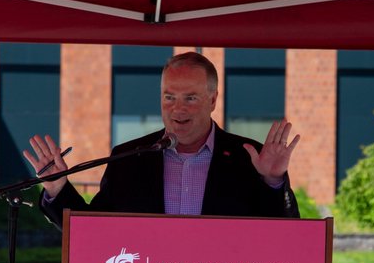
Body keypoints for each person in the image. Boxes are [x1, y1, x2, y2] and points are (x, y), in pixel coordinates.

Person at [23, 50, 300, 224]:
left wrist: (273, 182)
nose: (178, 108)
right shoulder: (130, 158)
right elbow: (91, 228)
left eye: (190, 98)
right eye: (169, 97)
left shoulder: (248, 157)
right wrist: (58, 187)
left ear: (213, 99)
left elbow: (283, 234)